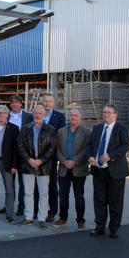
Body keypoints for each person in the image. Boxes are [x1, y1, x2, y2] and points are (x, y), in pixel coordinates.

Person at [87, 104, 129, 239]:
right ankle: (99, 227)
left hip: (115, 171)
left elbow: (125, 146)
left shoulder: (121, 129)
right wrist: (90, 157)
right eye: (104, 112)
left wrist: (110, 156)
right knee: (99, 201)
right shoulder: (97, 128)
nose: (106, 114)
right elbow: (89, 145)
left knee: (115, 202)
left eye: (109, 112)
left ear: (115, 114)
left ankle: (113, 229)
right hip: (98, 170)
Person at [17, 104, 57, 229]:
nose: (37, 115)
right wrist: (28, 159)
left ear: (44, 114)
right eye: (35, 113)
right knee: (28, 192)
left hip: (43, 166)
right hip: (28, 164)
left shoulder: (50, 130)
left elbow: (52, 148)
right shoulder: (25, 128)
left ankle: (41, 218)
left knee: (43, 193)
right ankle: (28, 217)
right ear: (32, 114)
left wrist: (41, 160)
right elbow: (20, 145)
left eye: (40, 113)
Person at [54, 108, 90, 230]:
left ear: (80, 118)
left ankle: (80, 220)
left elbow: (86, 150)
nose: (73, 117)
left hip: (79, 169)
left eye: (76, 115)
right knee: (63, 196)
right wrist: (63, 161)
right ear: (68, 117)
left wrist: (75, 161)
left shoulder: (86, 132)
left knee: (79, 196)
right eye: (71, 115)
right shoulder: (61, 131)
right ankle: (62, 218)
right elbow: (57, 149)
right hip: (63, 168)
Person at [8, 95, 33, 216]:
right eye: (13, 103)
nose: (15, 104)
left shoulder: (28, 117)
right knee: (9, 183)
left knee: (23, 183)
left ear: (21, 104)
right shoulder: (6, 116)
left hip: (24, 153)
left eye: (17, 102)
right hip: (10, 153)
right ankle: (9, 206)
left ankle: (21, 207)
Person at [43, 93, 66, 222]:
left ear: (53, 103)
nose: (47, 103)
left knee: (52, 185)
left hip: (51, 156)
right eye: (45, 101)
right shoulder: (37, 114)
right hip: (37, 156)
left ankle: (52, 211)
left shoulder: (60, 116)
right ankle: (38, 210)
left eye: (49, 101)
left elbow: (61, 136)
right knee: (38, 185)